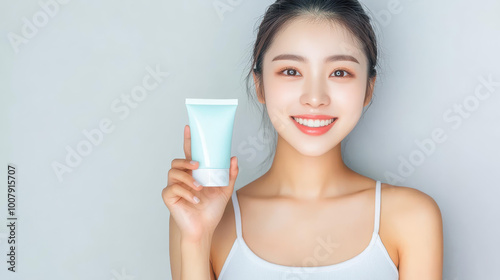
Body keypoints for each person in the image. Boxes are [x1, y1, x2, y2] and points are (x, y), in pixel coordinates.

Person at [162, 0, 443, 279]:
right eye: (291, 71)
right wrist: (196, 240)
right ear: (259, 84)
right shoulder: (202, 218)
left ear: (368, 88)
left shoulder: (411, 217)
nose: (315, 98)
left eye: (340, 72)